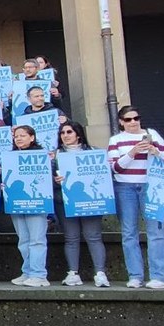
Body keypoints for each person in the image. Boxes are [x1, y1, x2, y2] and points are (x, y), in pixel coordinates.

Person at [108, 105, 164, 289]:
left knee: (156, 232)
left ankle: (159, 276)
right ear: (121, 122)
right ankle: (135, 275)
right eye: (128, 119)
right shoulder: (115, 140)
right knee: (129, 233)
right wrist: (133, 152)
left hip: (151, 186)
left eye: (136, 118)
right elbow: (115, 168)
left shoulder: (152, 134)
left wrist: (156, 152)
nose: (133, 122)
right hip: (124, 187)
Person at [54, 121, 109, 288]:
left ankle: (100, 273)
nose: (65, 135)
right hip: (65, 201)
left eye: (69, 132)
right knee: (71, 238)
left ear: (78, 134)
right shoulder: (55, 156)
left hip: (89, 201)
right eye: (62, 133)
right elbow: (47, 179)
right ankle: (73, 273)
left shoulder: (94, 152)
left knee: (94, 237)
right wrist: (55, 180)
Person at [8, 125, 50, 287]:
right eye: (16, 136)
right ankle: (28, 272)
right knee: (24, 240)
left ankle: (39, 274)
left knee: (37, 239)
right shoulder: (11, 157)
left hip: (36, 203)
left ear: (32, 137)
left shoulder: (43, 156)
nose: (18, 138)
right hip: (17, 202)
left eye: (22, 135)